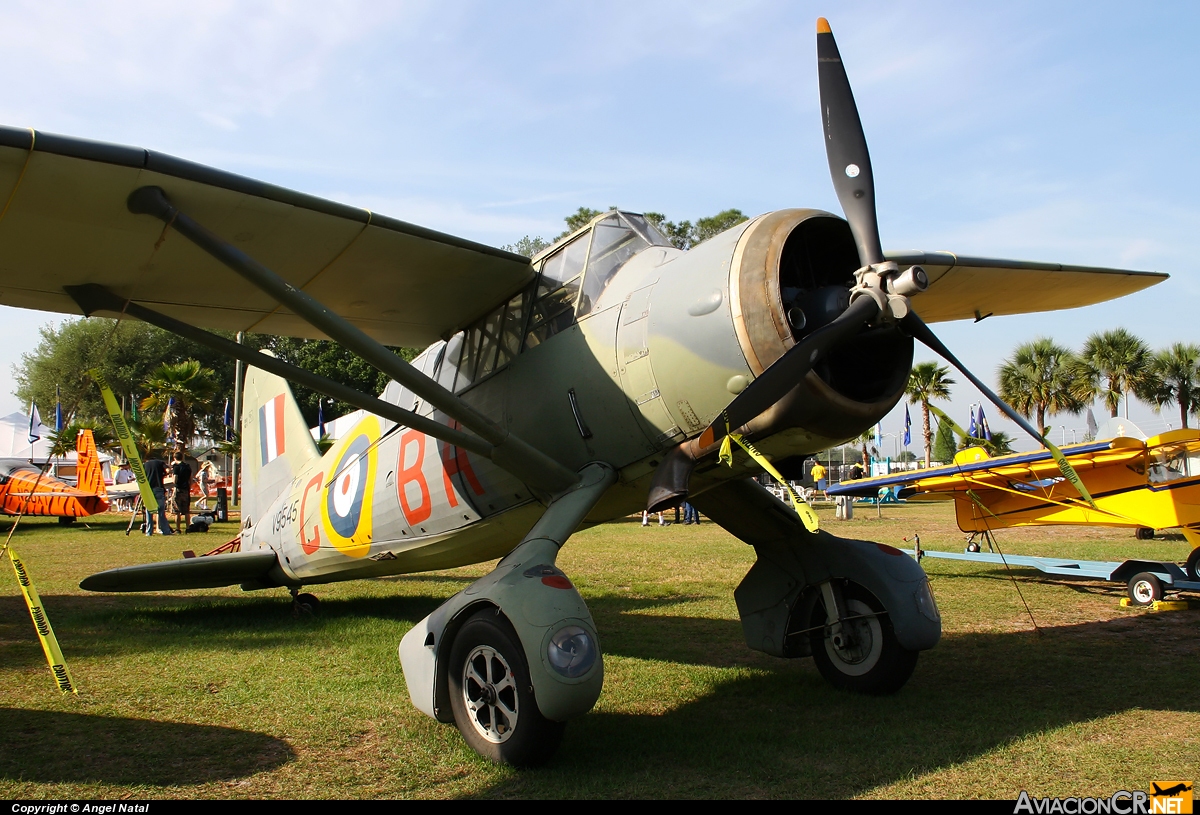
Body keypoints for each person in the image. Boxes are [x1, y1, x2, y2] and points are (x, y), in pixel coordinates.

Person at [142, 450, 172, 535]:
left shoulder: (145, 465)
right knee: (161, 511)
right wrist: (162, 474)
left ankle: (149, 532)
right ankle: (166, 531)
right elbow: (168, 471)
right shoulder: (160, 463)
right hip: (158, 488)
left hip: (148, 490)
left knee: (149, 511)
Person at [171, 452, 193, 533]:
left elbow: (175, 480)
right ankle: (188, 528)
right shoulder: (187, 466)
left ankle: (178, 528)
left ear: (174, 458)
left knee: (177, 510)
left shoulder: (176, 467)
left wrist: (172, 477)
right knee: (186, 510)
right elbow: (191, 478)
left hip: (178, 489)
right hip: (186, 490)